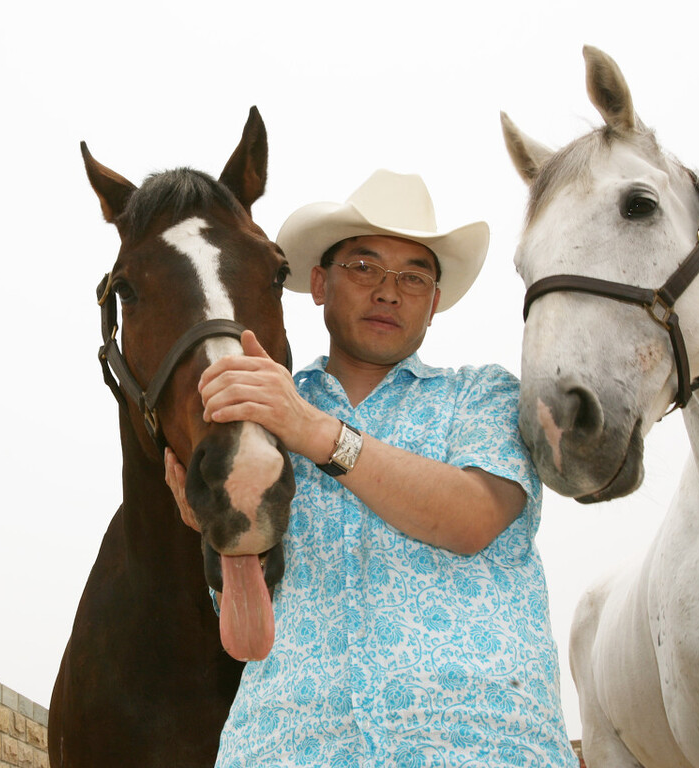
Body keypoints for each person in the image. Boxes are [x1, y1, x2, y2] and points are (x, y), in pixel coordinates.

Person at [165, 170, 577, 766]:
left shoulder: (483, 397)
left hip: (477, 741)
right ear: (318, 283)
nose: (389, 291)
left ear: (433, 304)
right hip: (286, 746)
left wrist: (314, 432)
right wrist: (215, 528)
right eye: (363, 267)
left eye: (414, 276)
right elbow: (244, 624)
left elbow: (474, 516)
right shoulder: (255, 416)